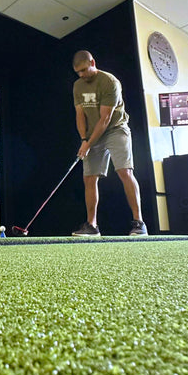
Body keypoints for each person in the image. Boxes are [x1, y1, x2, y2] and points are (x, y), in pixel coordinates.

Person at [71, 50, 148, 237]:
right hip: (91, 135)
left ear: (93, 62)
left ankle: (139, 223)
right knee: (89, 178)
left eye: (84, 70)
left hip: (115, 129)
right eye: (78, 72)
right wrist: (83, 140)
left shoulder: (109, 82)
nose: (81, 75)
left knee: (124, 171)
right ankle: (92, 226)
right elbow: (80, 115)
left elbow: (105, 119)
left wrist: (88, 144)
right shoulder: (78, 86)